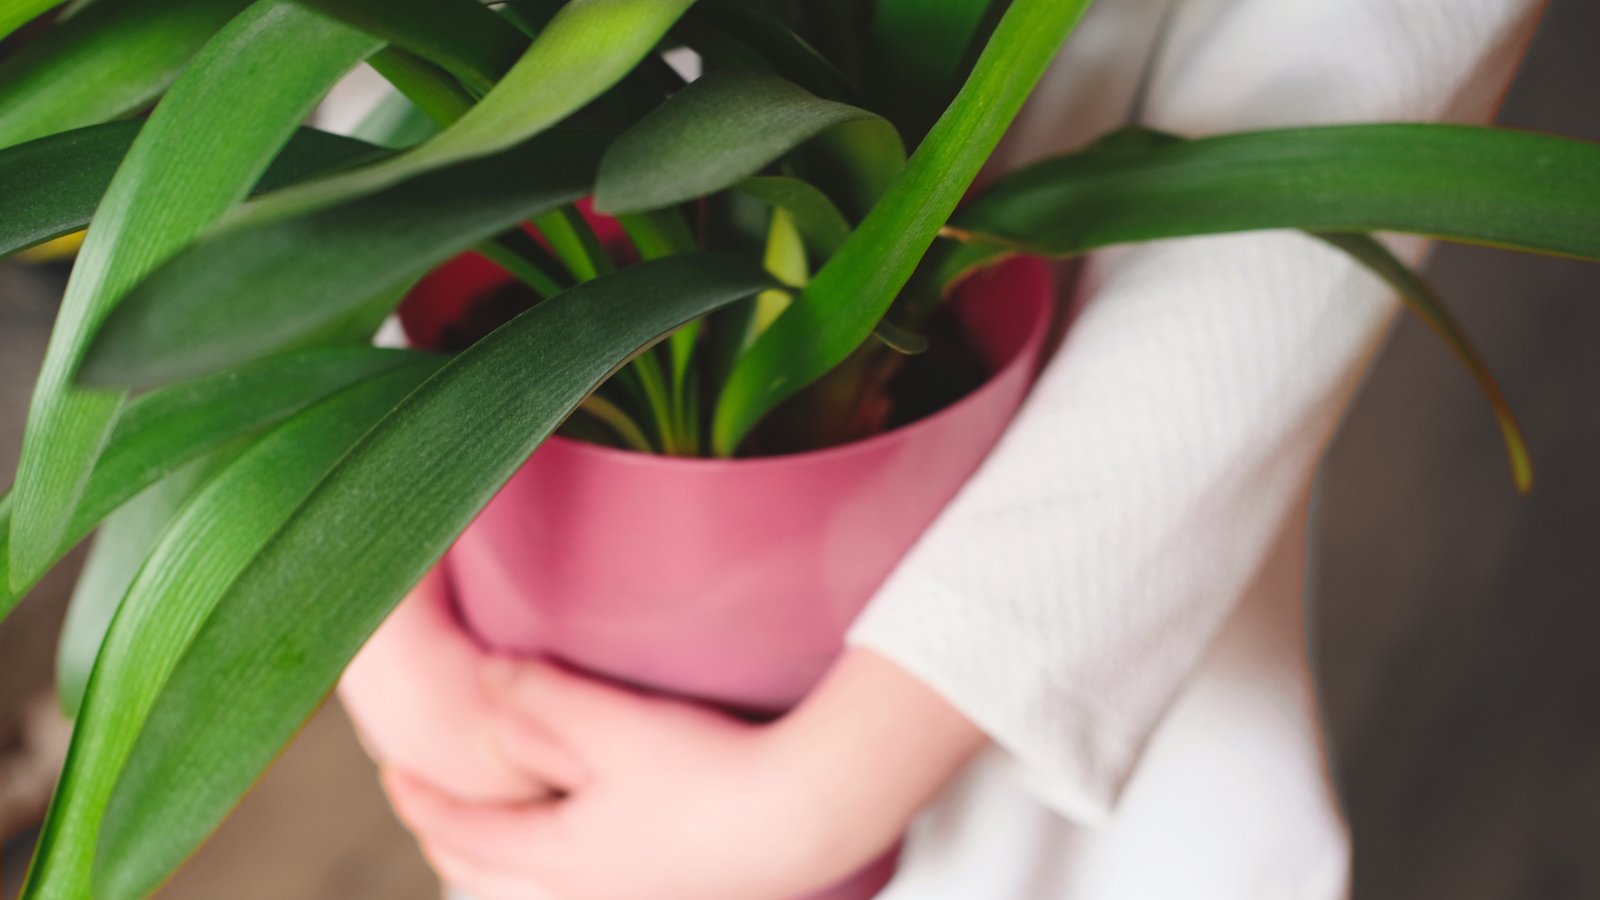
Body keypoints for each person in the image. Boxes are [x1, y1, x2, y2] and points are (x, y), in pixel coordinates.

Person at [339, 1, 1546, 897]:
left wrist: (813, 799)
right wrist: (377, 610)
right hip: (517, 616)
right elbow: (293, 118)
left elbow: (1319, 125)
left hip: (1006, 636)